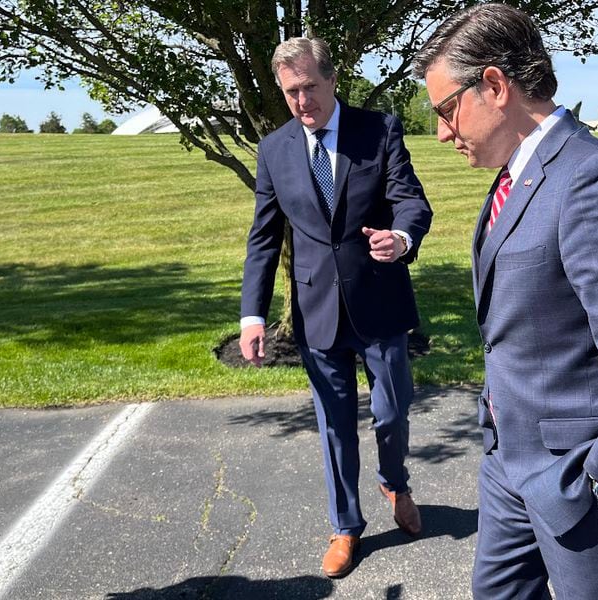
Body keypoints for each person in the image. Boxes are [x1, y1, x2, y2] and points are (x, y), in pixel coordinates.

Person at [413, 5, 598, 599]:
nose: (441, 132)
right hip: (508, 463)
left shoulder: (594, 177)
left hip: (580, 481)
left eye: (444, 110)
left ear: (494, 85)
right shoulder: (520, 173)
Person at [240, 37, 432, 579]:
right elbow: (263, 237)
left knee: (393, 410)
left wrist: (401, 236)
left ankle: (395, 483)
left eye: (309, 88)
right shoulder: (275, 149)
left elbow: (411, 199)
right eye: (290, 93)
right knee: (334, 424)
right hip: (316, 307)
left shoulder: (380, 130)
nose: (302, 102)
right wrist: (252, 316)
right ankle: (345, 525)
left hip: (380, 299)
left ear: (332, 80)